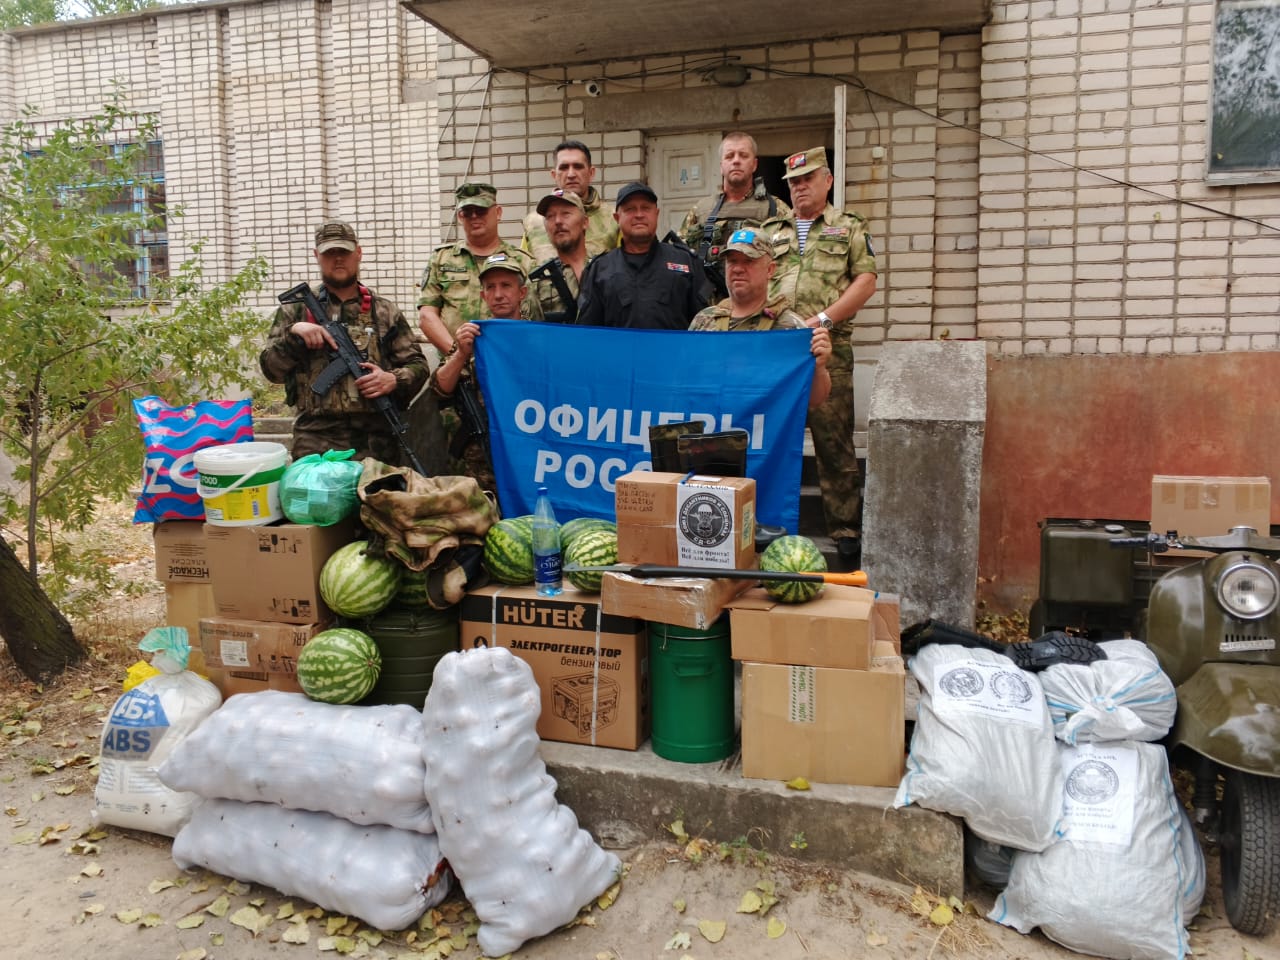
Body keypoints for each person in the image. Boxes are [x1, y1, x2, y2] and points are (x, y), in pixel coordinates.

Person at [763, 146, 878, 566]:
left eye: (808, 179)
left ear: (827, 181)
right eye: (793, 182)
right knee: (775, 441)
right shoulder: (772, 230)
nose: (800, 188)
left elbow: (866, 280)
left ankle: (845, 530)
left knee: (833, 444)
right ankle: (771, 524)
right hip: (776, 353)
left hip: (826, 348)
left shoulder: (848, 227)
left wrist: (825, 320)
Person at [259, 221, 427, 464]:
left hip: (375, 439)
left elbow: (418, 365)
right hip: (315, 439)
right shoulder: (296, 311)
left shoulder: (384, 311)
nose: (338, 259)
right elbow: (270, 371)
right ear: (317, 256)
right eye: (329, 253)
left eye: (344, 252)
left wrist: (392, 379)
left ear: (358, 253)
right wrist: (295, 337)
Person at [688, 228, 831, 409]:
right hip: (711, 430)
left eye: (749, 261)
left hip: (765, 434)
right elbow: (686, 384)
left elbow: (815, 400)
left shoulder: (792, 328)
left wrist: (819, 368)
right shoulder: (703, 321)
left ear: (770, 270)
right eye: (732, 261)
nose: (738, 269)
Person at [428, 253, 529, 495]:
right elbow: (439, 389)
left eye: (506, 285)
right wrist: (461, 353)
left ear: (521, 293)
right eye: (490, 287)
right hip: (481, 462)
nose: (498, 294)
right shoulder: (473, 337)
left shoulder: (537, 338)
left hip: (526, 453)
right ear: (483, 296)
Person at [417, 182, 540, 356]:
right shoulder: (441, 259)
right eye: (467, 212)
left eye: (481, 210)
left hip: (506, 365)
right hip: (456, 371)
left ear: (498, 213)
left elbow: (533, 320)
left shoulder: (523, 261)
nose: (474, 216)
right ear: (460, 217)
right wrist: (458, 356)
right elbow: (427, 317)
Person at [575, 181, 711, 330]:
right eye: (630, 209)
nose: (639, 215)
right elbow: (588, 333)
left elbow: (704, 326)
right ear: (617, 218)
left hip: (674, 353)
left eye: (645, 208)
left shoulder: (686, 262)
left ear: (656, 214)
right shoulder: (599, 269)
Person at [679, 131, 791, 257]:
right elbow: (680, 255)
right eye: (729, 156)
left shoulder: (775, 208)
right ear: (721, 166)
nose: (736, 161)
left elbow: (789, 260)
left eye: (743, 156)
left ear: (754, 165)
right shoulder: (700, 210)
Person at [520, 139, 619, 262]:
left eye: (578, 167)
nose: (571, 174)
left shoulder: (614, 219)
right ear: (554, 175)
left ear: (591, 173)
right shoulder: (534, 223)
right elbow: (524, 272)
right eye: (564, 167)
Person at [528, 189, 591, 323]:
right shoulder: (537, 280)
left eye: (566, 214)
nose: (557, 221)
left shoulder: (606, 269)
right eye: (550, 216)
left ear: (585, 222)